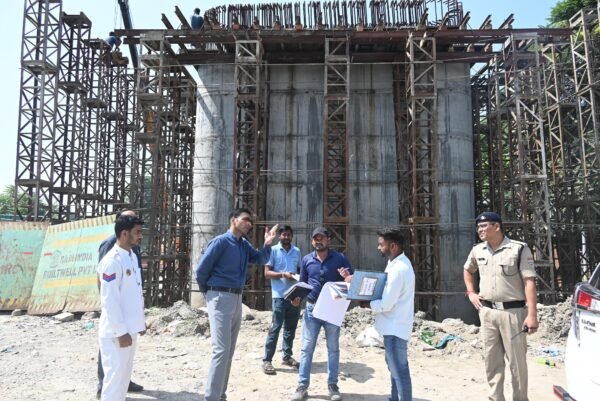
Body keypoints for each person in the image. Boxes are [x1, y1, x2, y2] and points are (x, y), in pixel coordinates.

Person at [195, 208, 278, 401]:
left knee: (229, 351)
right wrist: (209, 293)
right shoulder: (221, 242)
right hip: (219, 296)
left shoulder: (243, 245)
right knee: (221, 350)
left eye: (251, 221)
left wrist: (267, 243)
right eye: (246, 219)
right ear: (233, 220)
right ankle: (211, 397)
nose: (249, 223)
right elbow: (201, 271)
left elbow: (261, 259)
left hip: (236, 297)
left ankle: (220, 395)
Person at [463, 212, 539, 401]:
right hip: (487, 312)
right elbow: (467, 269)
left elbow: (529, 282)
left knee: (517, 363)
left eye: (484, 226)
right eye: (478, 227)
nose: (479, 230)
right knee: (492, 361)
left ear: (496, 227)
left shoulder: (518, 249)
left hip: (512, 313)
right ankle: (495, 398)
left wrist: (532, 315)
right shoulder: (478, 250)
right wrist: (471, 292)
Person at [291, 227, 353, 401]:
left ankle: (333, 386)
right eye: (315, 239)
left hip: (333, 309)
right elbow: (302, 284)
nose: (318, 241)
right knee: (306, 348)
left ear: (328, 239)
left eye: (322, 238)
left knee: (333, 349)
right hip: (312, 309)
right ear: (312, 241)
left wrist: (347, 277)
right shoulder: (306, 260)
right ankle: (302, 386)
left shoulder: (339, 258)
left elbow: (351, 279)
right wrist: (296, 299)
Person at [97, 215, 146, 401]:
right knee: (113, 383)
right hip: (116, 333)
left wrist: (139, 322)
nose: (140, 236)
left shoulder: (131, 256)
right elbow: (109, 300)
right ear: (124, 234)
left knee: (123, 382)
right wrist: (120, 332)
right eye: (137, 232)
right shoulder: (112, 260)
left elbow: (133, 292)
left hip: (129, 329)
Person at [369, 229, 415, 401]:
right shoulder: (396, 263)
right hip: (394, 327)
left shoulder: (398, 269)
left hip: (395, 329)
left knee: (400, 372)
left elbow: (386, 304)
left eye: (381, 244)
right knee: (395, 370)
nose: (378, 248)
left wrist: (368, 303)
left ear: (393, 246)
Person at [262, 225, 302, 375]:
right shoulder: (273, 250)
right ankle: (267, 360)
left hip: (294, 295)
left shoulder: (296, 251)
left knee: (290, 328)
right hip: (279, 295)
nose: (286, 237)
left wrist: (296, 277)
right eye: (284, 235)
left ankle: (287, 356)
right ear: (279, 236)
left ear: (292, 236)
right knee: (275, 328)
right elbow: (267, 273)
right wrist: (282, 275)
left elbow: (300, 271)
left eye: (288, 235)